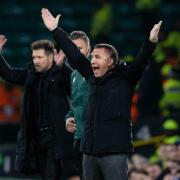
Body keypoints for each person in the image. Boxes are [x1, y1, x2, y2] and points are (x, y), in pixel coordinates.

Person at [41, 8, 162, 180]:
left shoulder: (125, 80)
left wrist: (151, 42)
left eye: (97, 57)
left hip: (114, 152)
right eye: (93, 57)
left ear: (110, 61)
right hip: (89, 151)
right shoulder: (90, 77)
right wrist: (55, 31)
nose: (93, 60)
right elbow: (75, 56)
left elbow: (141, 61)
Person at [0, 35, 72, 179]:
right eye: (34, 57)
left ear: (51, 56)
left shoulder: (60, 74)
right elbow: (9, 75)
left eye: (40, 57)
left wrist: (62, 66)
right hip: (37, 138)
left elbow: (72, 84)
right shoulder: (30, 75)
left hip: (56, 137)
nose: (36, 61)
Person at [64, 31, 91, 177]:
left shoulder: (95, 70)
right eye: (72, 49)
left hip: (93, 137)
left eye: (79, 48)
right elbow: (75, 104)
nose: (76, 53)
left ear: (88, 50)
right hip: (79, 138)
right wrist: (68, 118)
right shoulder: (74, 74)